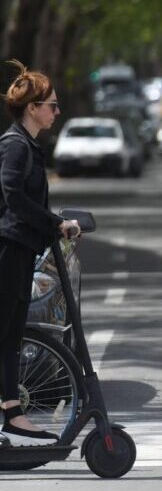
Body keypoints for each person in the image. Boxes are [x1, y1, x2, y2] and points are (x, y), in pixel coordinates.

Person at [1, 60, 80, 446]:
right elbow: (12, 196)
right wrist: (54, 223)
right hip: (6, 250)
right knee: (4, 333)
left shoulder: (27, 145)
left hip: (18, 251)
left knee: (11, 336)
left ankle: (13, 414)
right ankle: (12, 415)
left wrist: (52, 224)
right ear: (32, 108)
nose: (56, 111)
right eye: (52, 104)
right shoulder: (14, 146)